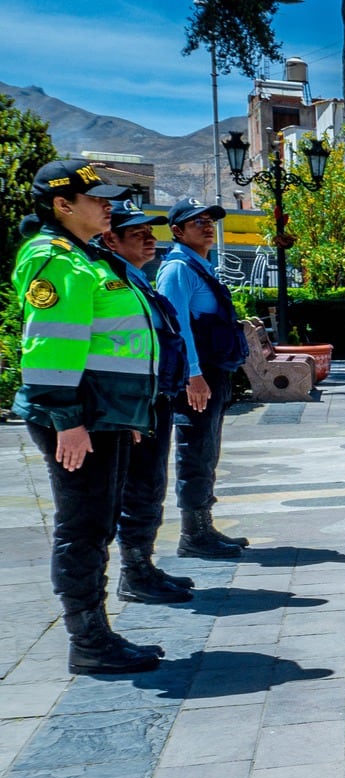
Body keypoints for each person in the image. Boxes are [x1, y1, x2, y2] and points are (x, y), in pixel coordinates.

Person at [11, 162, 164, 675]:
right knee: (82, 526)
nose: (108, 207)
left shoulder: (87, 257)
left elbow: (112, 343)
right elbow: (51, 347)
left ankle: (97, 633)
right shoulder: (57, 262)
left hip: (103, 412)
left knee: (98, 522)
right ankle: (89, 641)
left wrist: (129, 413)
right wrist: (66, 420)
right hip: (79, 416)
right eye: (97, 199)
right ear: (62, 205)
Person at [102, 202, 196, 605]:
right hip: (132, 406)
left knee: (150, 487)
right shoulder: (111, 282)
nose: (149, 239)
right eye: (137, 233)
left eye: (150, 231)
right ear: (111, 239)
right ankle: (134, 574)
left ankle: (143, 565)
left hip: (153, 400)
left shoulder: (136, 280)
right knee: (137, 489)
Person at [152, 199, 249, 560]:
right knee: (195, 451)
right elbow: (178, 329)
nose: (207, 226)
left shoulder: (200, 265)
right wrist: (193, 374)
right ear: (177, 231)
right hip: (198, 375)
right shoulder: (178, 269)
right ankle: (193, 534)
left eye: (209, 220)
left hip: (211, 373)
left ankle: (203, 525)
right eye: (197, 222)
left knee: (207, 450)